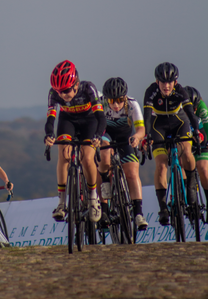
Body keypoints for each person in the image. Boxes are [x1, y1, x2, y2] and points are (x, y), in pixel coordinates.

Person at [44, 60, 106, 222]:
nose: (62, 95)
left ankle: (93, 198)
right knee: (64, 154)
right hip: (68, 119)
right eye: (59, 91)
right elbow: (51, 118)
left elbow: (100, 117)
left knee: (87, 158)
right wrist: (49, 134)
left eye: (65, 90)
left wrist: (98, 135)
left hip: (89, 120)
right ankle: (62, 202)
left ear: (76, 84)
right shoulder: (54, 93)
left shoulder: (88, 88)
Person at [144, 62, 200, 226]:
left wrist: (196, 129)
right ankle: (163, 207)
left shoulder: (180, 90)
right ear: (157, 81)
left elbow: (190, 112)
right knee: (161, 164)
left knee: (187, 154)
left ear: (175, 82)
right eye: (163, 82)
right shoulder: (151, 92)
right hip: (158, 126)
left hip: (179, 122)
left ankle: (190, 185)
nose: (166, 86)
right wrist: (147, 136)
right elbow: (147, 116)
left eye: (170, 82)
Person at [98, 77, 148, 230]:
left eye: (119, 100)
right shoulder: (100, 104)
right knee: (105, 155)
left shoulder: (132, 104)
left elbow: (140, 129)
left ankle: (138, 213)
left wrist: (137, 138)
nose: (115, 104)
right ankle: (105, 204)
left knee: (132, 173)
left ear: (125, 97)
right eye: (112, 100)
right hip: (106, 135)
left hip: (125, 138)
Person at [184, 86, 208, 218]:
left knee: (203, 169)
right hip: (184, 137)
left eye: (192, 110)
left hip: (201, 135)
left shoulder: (201, 106)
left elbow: (207, 126)